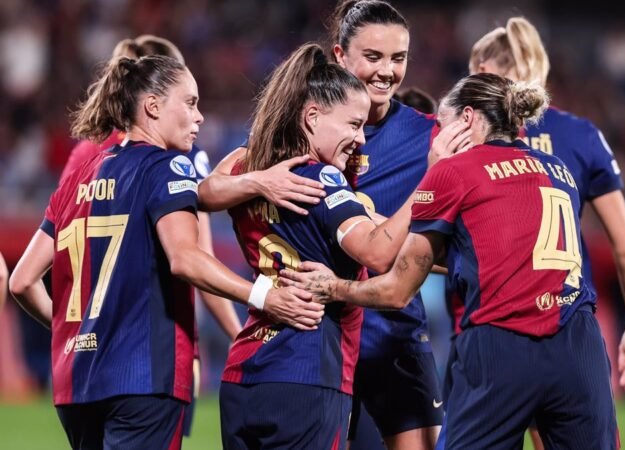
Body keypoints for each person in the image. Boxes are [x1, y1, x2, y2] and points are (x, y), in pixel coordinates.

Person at [283, 73, 624, 449]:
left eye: (441, 127)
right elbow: (491, 249)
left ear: (466, 119)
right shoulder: (558, 170)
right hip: (579, 344)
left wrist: (332, 286)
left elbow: (397, 291)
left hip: (501, 344)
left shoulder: (451, 171)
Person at [9, 55, 321, 450]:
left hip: (76, 384)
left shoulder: (75, 182)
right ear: (153, 107)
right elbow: (186, 259)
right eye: (189, 103)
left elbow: (22, 280)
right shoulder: (167, 166)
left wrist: (75, 331)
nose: (200, 116)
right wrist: (264, 297)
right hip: (143, 380)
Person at [203, 42, 443, 449]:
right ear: (312, 117)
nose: (361, 139)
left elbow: (206, 190)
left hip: (244, 374)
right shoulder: (323, 179)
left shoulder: (253, 169)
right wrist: (429, 183)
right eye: (353, 124)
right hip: (308, 372)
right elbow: (378, 252)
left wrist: (254, 182)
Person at [468, 16, 625, 446]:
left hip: (489, 332)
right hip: (567, 327)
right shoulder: (581, 136)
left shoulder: (463, 137)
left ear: (482, 72)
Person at [326, 2, 471, 447]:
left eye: (398, 58)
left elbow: (467, 238)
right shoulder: (304, 126)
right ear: (339, 56)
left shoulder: (432, 138)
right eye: (373, 57)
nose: (387, 71)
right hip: (320, 337)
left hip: (395, 337)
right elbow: (218, 185)